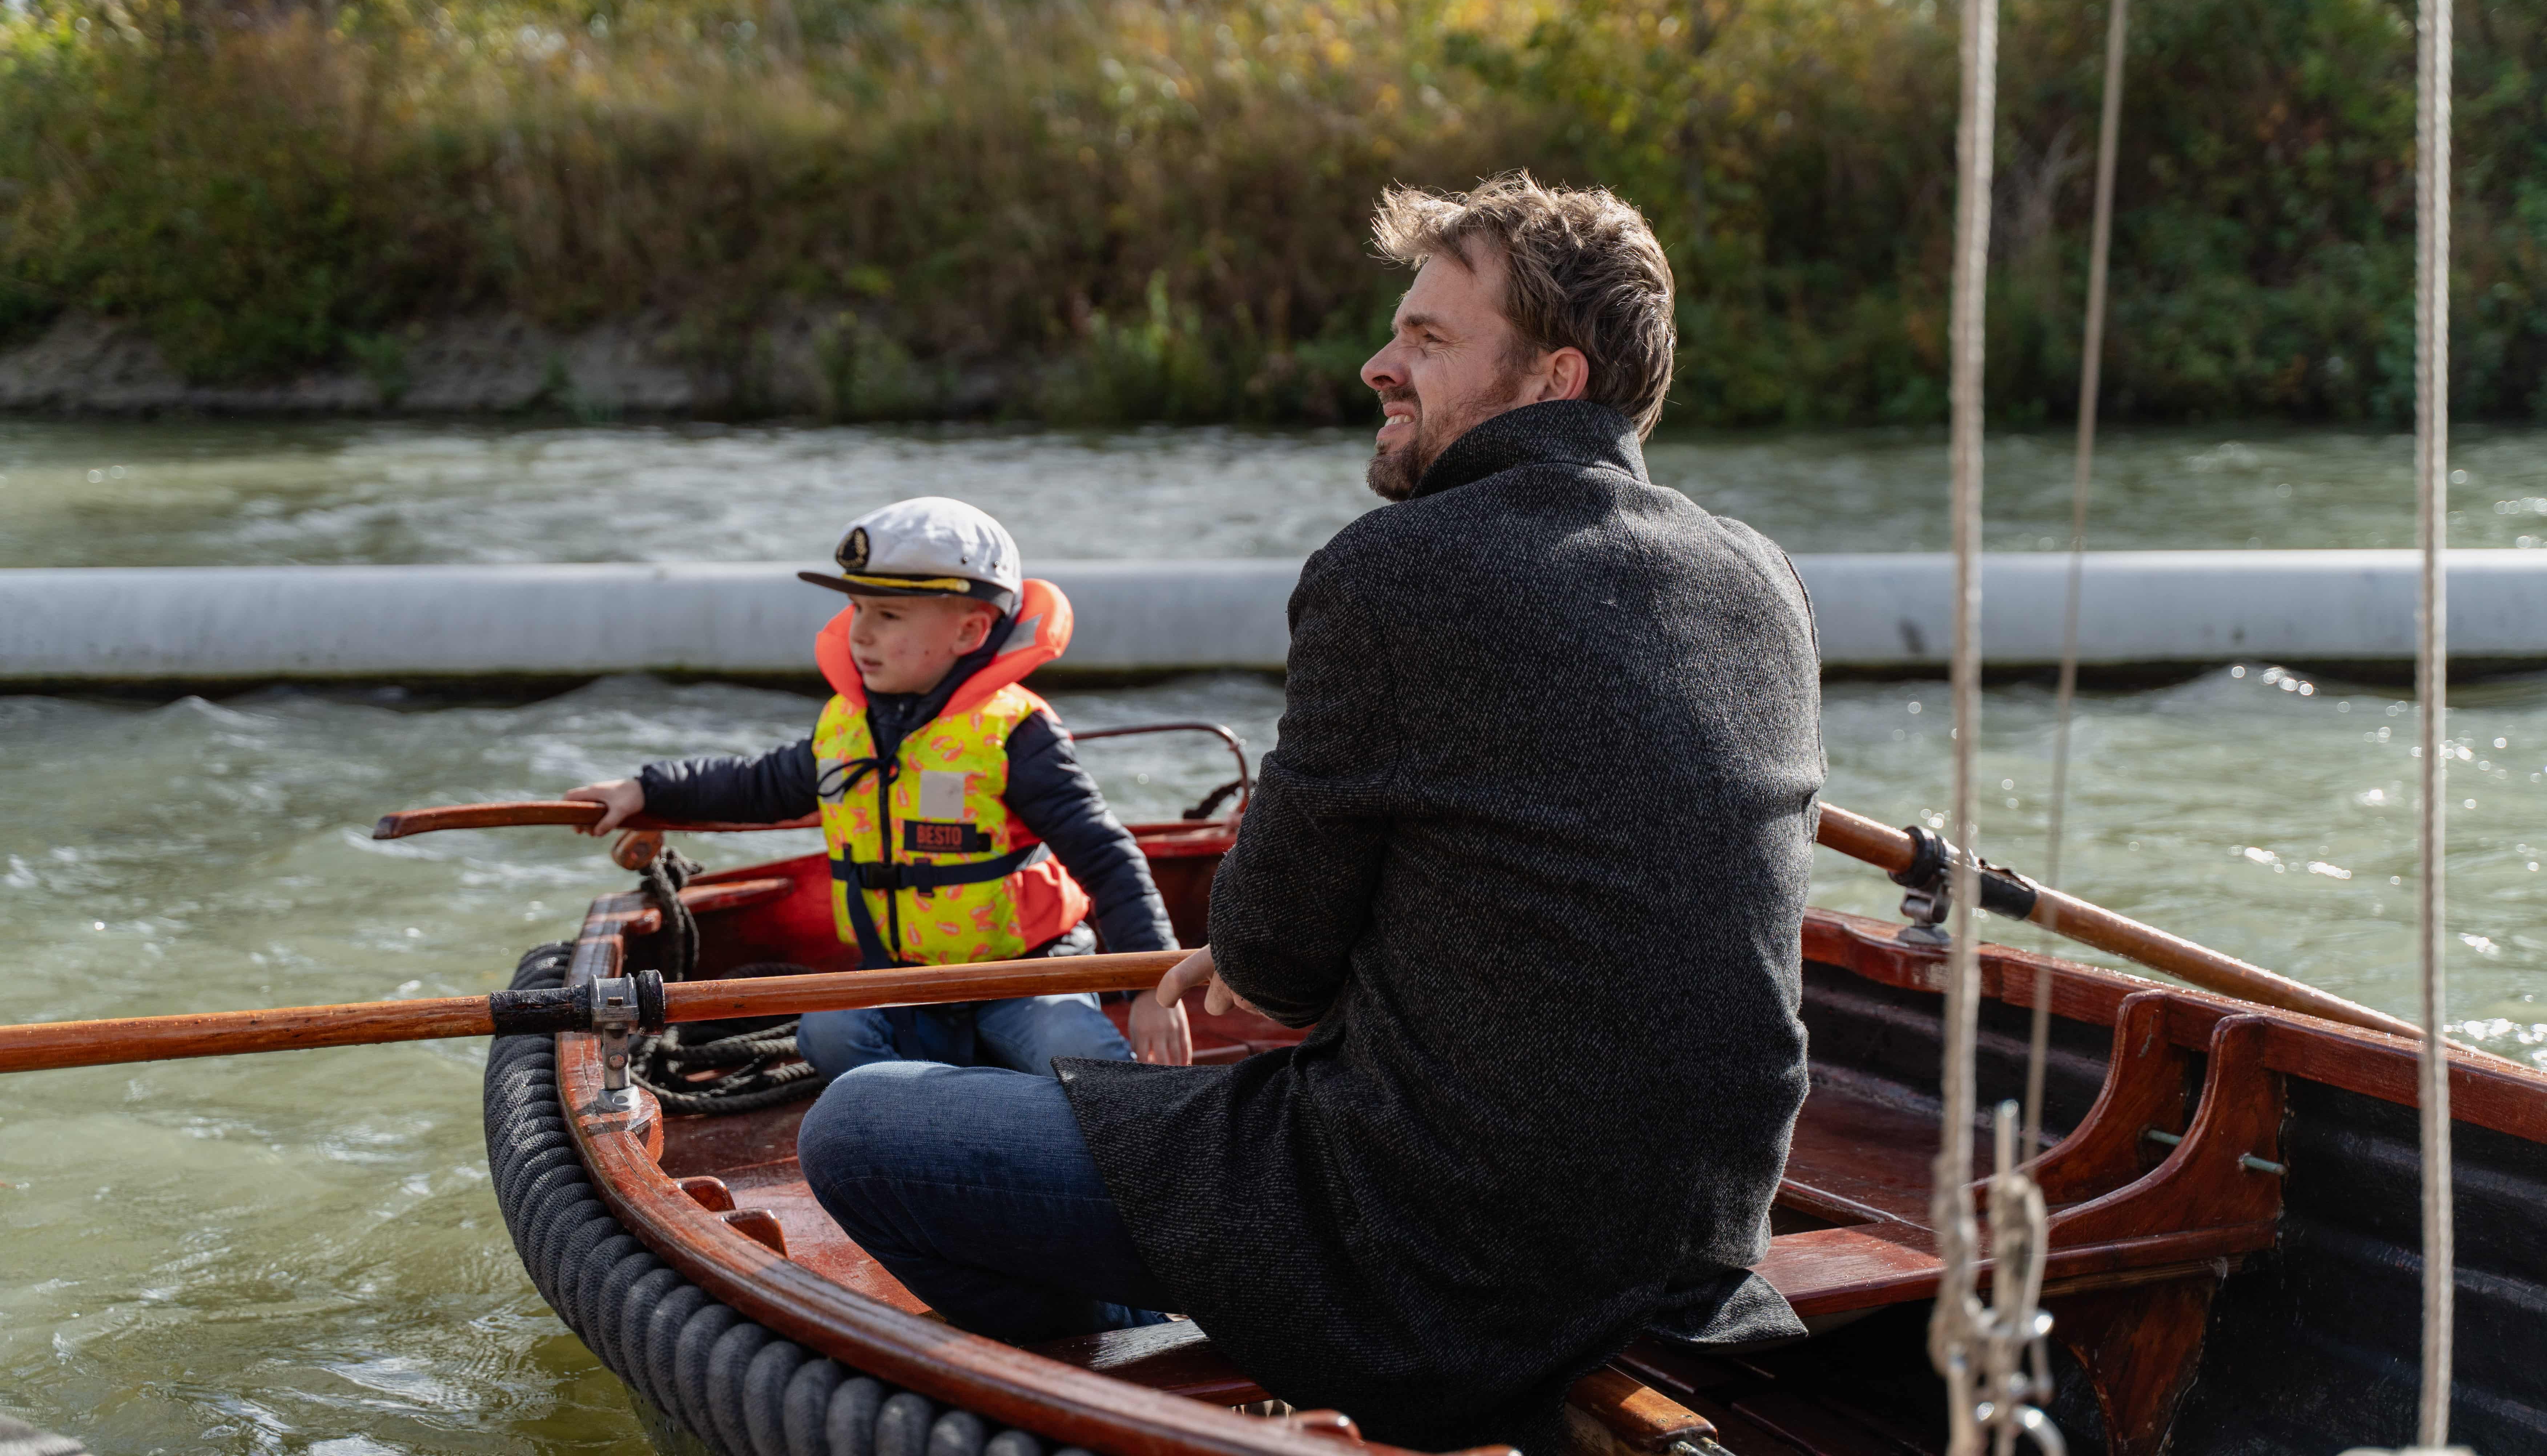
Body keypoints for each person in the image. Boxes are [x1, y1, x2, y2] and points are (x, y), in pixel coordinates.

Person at [798, 175, 1825, 1449]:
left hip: (1443, 1235)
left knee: (863, 1122)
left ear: (1554, 376)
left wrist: (1257, 950)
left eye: (1429, 340)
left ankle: (1124, 1375)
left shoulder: (1392, 570)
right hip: (1701, 1238)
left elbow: (1273, 970)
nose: (1375, 364)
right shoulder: (1758, 574)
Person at [563, 495, 1192, 1077]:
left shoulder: (1019, 736)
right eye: (858, 609)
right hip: (906, 982)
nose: (860, 632)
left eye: (887, 615)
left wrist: (1151, 985)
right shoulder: (849, 724)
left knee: (1075, 1052)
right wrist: (645, 790)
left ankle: (1073, 1113)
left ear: (970, 632)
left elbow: (1107, 858)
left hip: (1024, 978)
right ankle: (940, 1105)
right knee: (829, 1034)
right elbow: (758, 785)